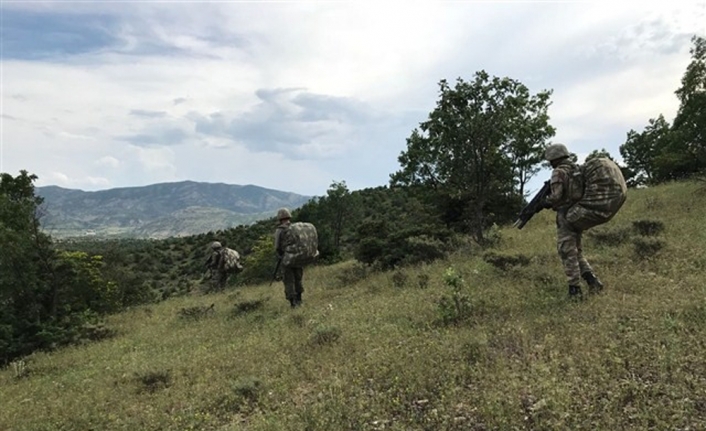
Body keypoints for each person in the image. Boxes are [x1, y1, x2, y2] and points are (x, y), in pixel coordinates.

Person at [543, 143, 604, 299]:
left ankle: (574, 290)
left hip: (566, 215)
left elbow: (556, 197)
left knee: (566, 251)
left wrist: (545, 202)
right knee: (576, 250)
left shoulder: (558, 172)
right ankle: (592, 281)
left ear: (554, 158)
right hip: (579, 212)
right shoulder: (576, 169)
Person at [274, 208, 304, 308]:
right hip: (297, 257)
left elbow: (277, 246)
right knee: (298, 278)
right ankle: (299, 299)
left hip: (286, 258)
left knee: (288, 280)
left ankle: (293, 303)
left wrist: (280, 255)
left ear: (280, 218)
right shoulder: (295, 227)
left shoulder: (280, 230)